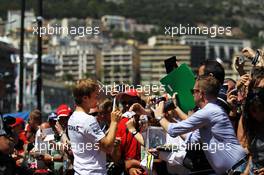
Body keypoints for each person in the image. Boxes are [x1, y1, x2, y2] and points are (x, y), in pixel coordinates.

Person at [153, 75, 247, 174]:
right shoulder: (209, 111)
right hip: (232, 169)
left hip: (238, 168)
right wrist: (170, 119)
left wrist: (159, 116)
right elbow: (192, 140)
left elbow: (173, 130)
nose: (192, 94)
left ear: (201, 94)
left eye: (193, 91)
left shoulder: (209, 111)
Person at [67, 79, 122, 175]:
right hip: (93, 172)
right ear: (85, 98)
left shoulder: (72, 118)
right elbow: (108, 147)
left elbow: (91, 142)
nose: (98, 99)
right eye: (96, 96)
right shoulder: (88, 120)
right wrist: (114, 122)